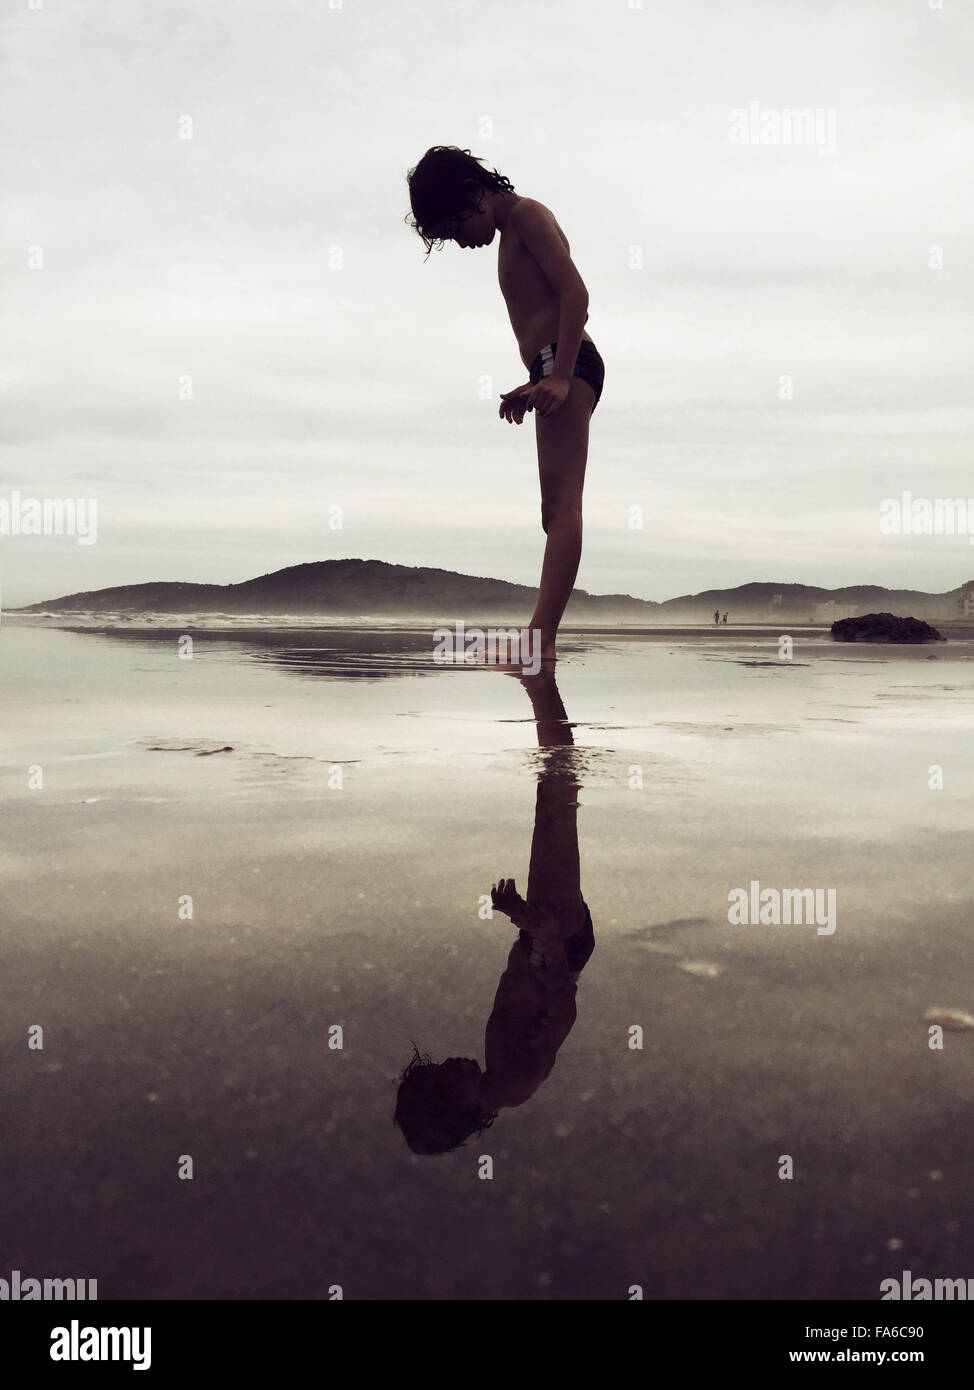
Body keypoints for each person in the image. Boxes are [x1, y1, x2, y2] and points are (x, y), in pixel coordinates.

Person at [406, 146, 604, 664]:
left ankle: (540, 642)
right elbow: (541, 314)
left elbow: (576, 297)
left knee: (564, 509)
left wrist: (558, 375)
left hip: (571, 362)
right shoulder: (511, 232)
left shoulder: (529, 217)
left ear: (473, 194)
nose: (460, 242)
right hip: (554, 364)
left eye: (454, 229)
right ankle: (540, 639)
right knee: (551, 512)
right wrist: (534, 381)